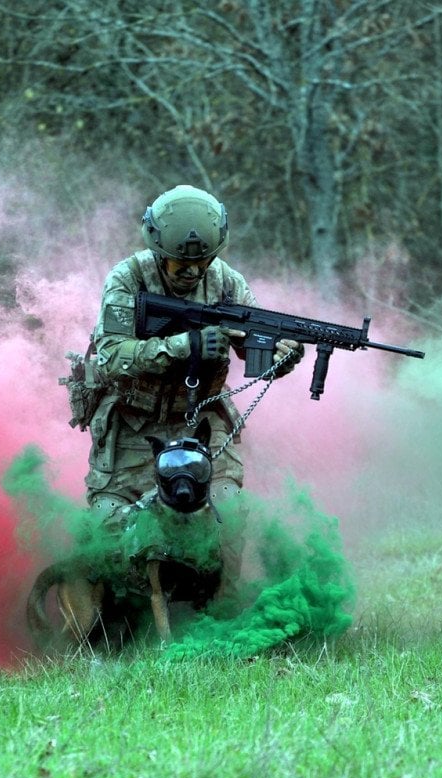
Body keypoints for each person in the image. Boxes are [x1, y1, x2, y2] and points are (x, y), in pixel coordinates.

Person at [83, 184, 302, 597]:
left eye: (203, 260)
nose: (193, 271)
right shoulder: (128, 280)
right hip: (133, 424)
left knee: (228, 514)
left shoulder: (227, 283)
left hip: (201, 422)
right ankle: (120, 620)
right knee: (109, 527)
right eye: (180, 263)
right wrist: (184, 346)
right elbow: (110, 355)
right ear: (156, 249)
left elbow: (254, 340)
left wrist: (281, 356)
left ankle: (216, 612)